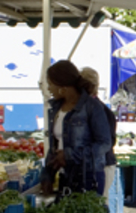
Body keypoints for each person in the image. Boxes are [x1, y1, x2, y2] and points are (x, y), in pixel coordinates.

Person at [44, 60, 111, 197]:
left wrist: (70, 155)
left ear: (63, 86)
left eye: (50, 84)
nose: (49, 89)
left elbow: (104, 144)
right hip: (65, 176)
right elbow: (54, 147)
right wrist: (47, 175)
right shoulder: (55, 109)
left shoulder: (92, 107)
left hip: (88, 177)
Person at [81, 66, 117, 197]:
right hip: (96, 165)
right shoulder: (84, 109)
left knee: (99, 205)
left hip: (102, 165)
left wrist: (82, 154)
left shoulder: (99, 110)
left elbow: (108, 141)